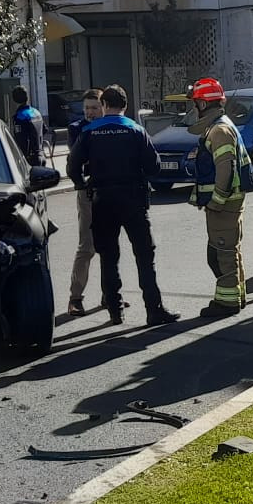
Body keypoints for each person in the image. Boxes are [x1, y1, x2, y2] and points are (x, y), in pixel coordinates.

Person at [66, 85, 177, 326]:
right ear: (125, 106)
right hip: (133, 199)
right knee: (144, 256)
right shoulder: (135, 130)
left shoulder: (90, 132)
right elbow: (154, 167)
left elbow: (72, 166)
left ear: (104, 105)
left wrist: (82, 185)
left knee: (108, 256)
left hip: (102, 200)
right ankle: (153, 309)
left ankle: (115, 311)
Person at [187, 77, 251, 320]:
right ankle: (237, 296)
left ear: (203, 105)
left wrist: (216, 200)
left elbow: (225, 168)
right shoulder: (220, 126)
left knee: (222, 252)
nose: (194, 108)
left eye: (196, 103)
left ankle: (226, 303)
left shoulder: (220, 130)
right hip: (229, 203)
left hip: (224, 205)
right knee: (229, 250)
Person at [8, 86, 46, 163]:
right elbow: (44, 129)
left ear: (14, 100)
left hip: (30, 158)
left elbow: (21, 140)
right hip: (41, 154)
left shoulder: (20, 116)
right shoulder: (36, 112)